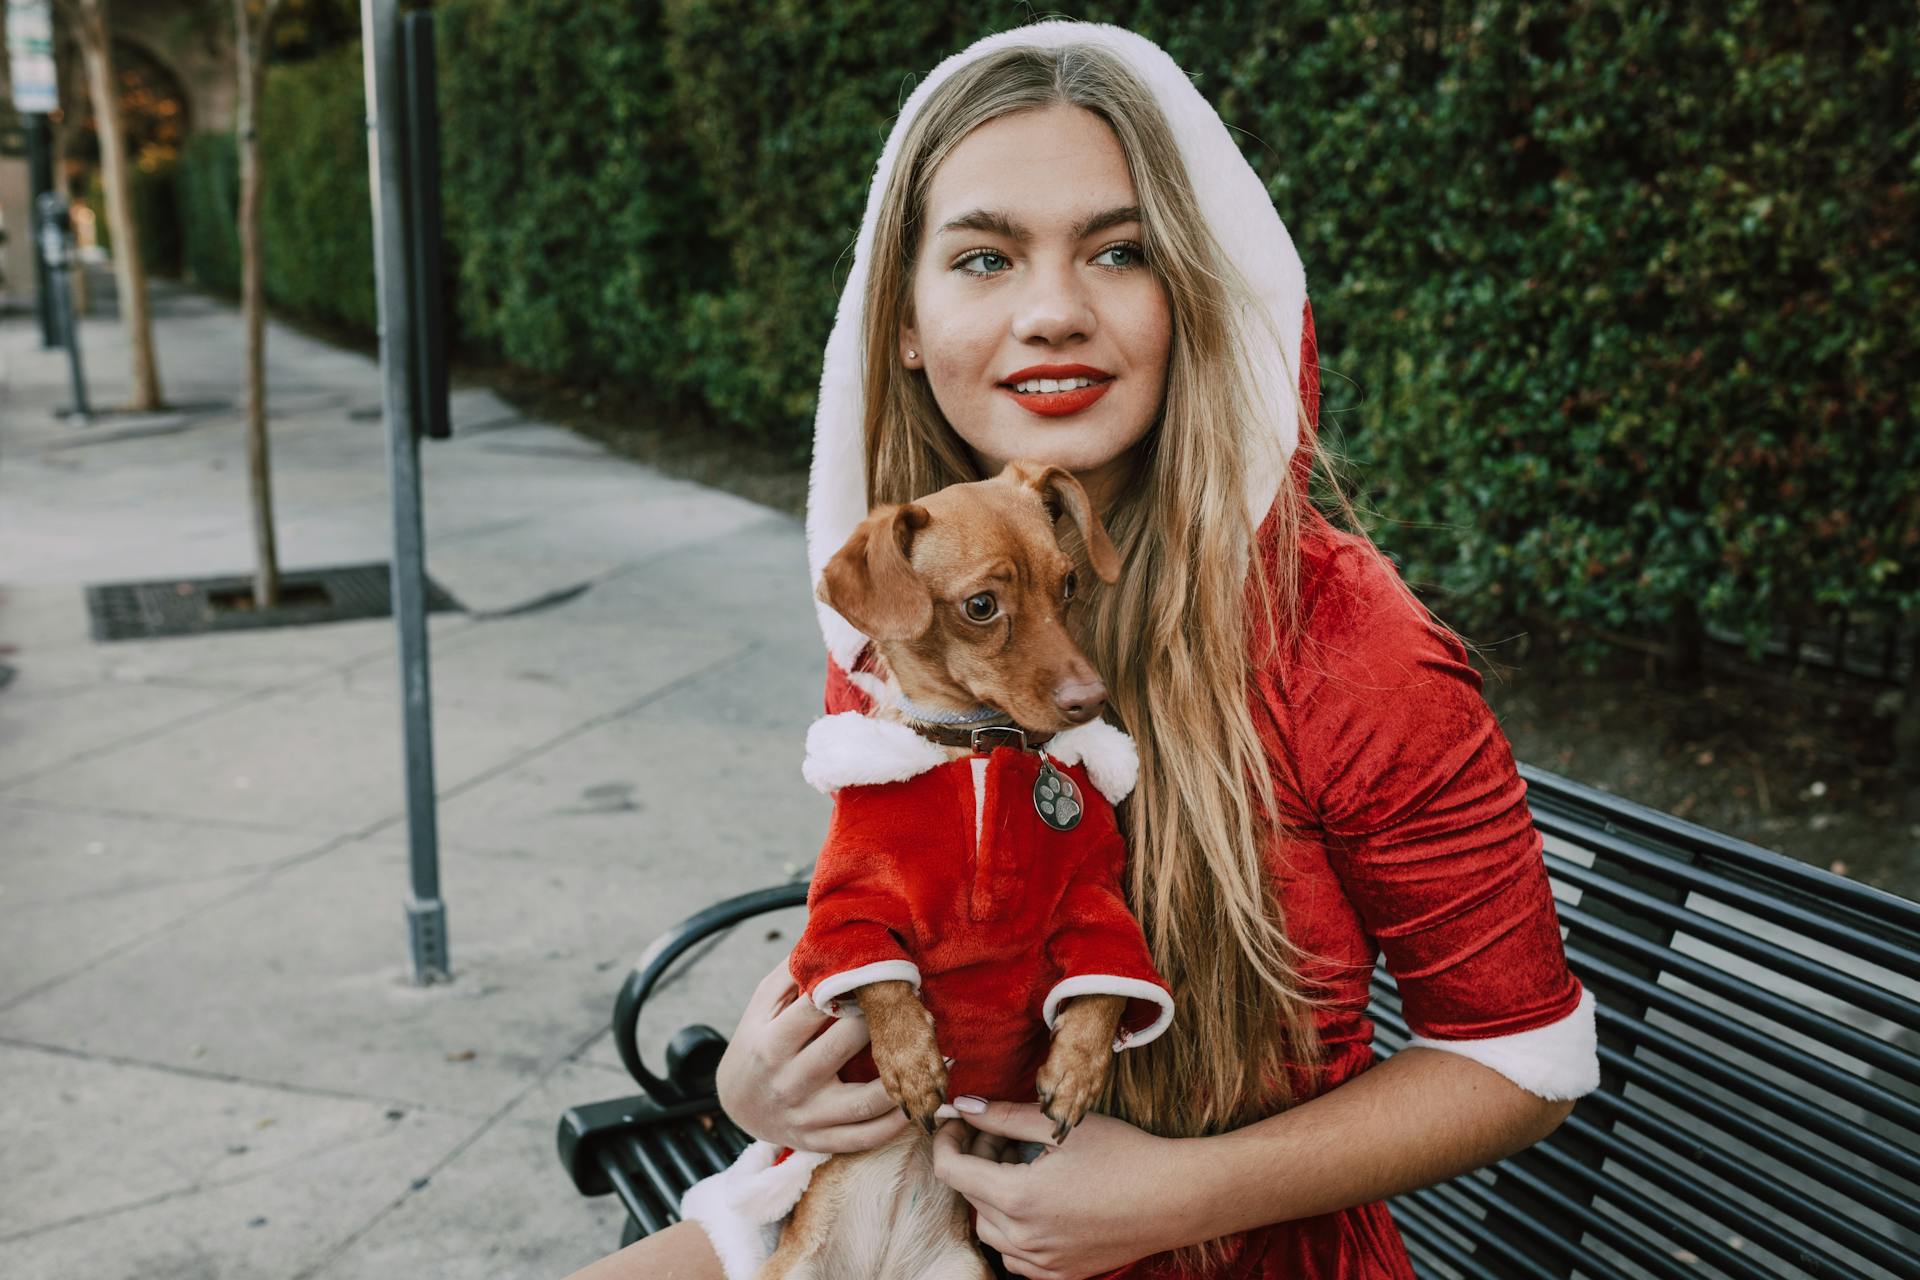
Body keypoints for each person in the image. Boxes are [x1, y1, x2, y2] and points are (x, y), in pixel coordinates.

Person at [562, 19, 1598, 1280]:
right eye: (986, 256)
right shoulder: (913, 607)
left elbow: (1524, 1061)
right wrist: (760, 1070)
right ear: (900, 321)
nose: (1054, 311)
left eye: (1120, 251)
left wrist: (1179, 1192)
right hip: (914, 1220)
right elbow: (909, 899)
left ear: (1192, 292)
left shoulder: (1343, 639)